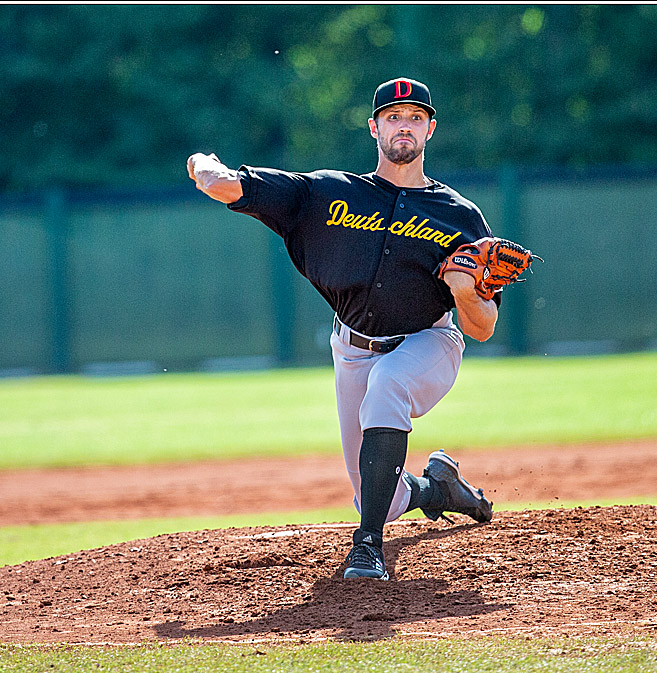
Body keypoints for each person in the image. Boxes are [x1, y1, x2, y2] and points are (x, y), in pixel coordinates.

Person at [187, 77, 500, 581]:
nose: (404, 126)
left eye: (415, 117)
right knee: (379, 497)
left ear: (430, 129)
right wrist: (206, 168)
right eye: (394, 117)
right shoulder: (328, 194)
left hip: (429, 342)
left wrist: (465, 292)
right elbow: (233, 185)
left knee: (388, 386)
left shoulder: (460, 216)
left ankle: (367, 546)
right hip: (353, 347)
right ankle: (438, 489)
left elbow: (482, 328)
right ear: (374, 128)